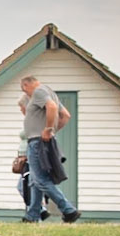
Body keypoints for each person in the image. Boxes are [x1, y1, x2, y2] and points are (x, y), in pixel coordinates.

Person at [18, 72, 79, 223]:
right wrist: (51, 131)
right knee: (35, 180)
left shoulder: (39, 91)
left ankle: (68, 210)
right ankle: (32, 215)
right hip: (41, 141)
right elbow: (65, 115)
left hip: (37, 142)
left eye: (23, 89)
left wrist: (48, 129)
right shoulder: (50, 92)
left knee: (40, 180)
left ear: (26, 85)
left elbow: (51, 107)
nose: (25, 92)